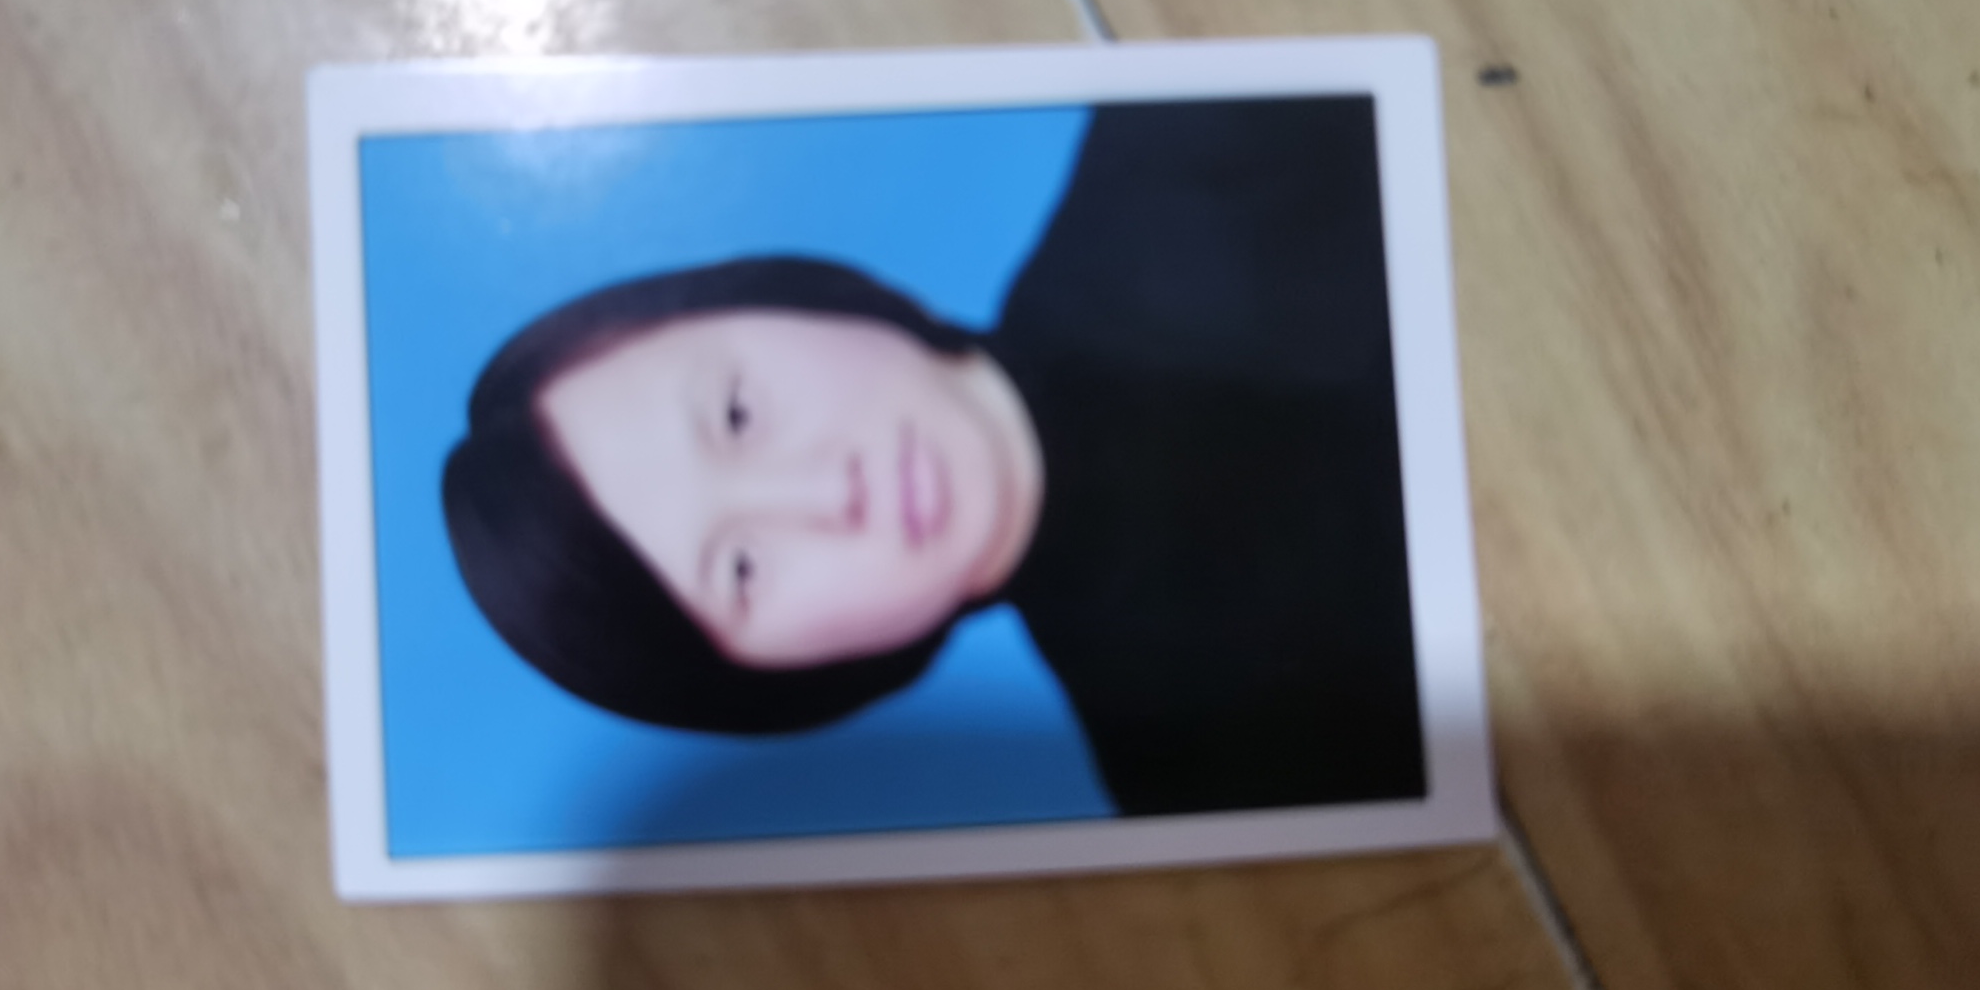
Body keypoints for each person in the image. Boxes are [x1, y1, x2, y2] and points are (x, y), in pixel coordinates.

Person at [444, 98, 1426, 816]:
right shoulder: (1210, 784)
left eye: (736, 413)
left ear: (771, 296)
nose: (823, 491)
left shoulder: (1218, 125)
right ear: (777, 681)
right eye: (740, 569)